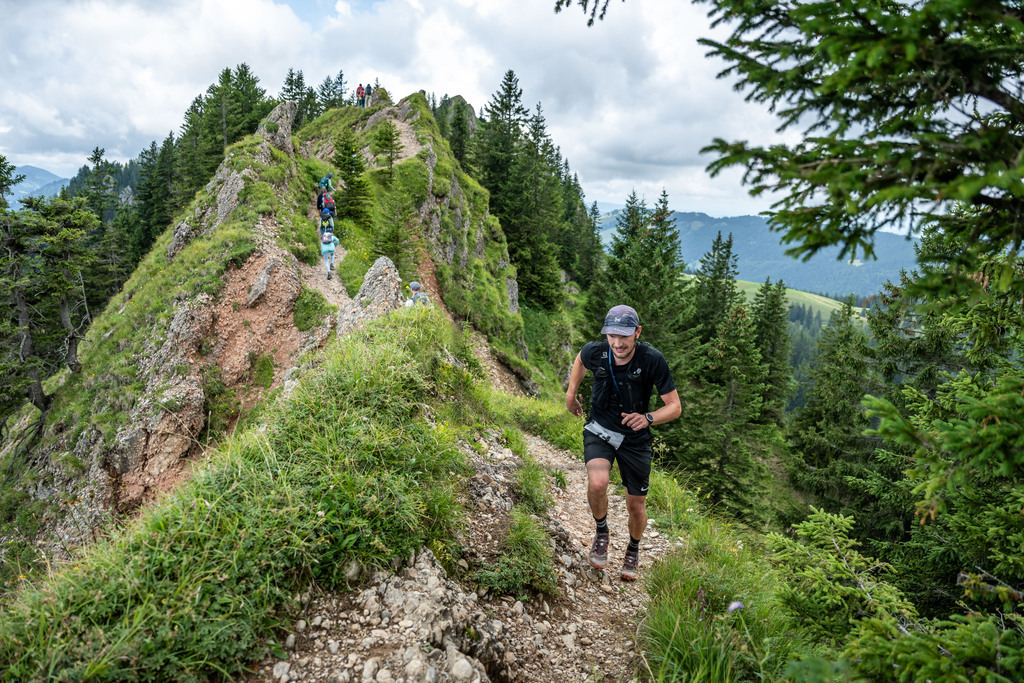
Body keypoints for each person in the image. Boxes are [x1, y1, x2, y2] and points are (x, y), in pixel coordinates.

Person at [565, 305, 681, 581]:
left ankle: (633, 547)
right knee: (597, 482)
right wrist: (571, 394)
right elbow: (581, 359)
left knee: (636, 506)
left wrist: (649, 418)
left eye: (624, 337)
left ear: (637, 333)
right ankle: (602, 532)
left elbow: (675, 406)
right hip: (600, 429)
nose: (617, 343)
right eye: (611, 336)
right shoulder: (597, 351)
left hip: (635, 439)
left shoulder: (652, 359)